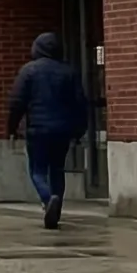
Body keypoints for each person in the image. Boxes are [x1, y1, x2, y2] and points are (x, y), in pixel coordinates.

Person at [7, 31, 90, 231]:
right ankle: (56, 206)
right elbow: (80, 103)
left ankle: (48, 199)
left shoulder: (28, 71)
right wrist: (79, 130)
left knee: (37, 171)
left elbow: (17, 102)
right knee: (57, 170)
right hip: (62, 130)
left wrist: (11, 128)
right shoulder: (69, 71)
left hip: (38, 130)